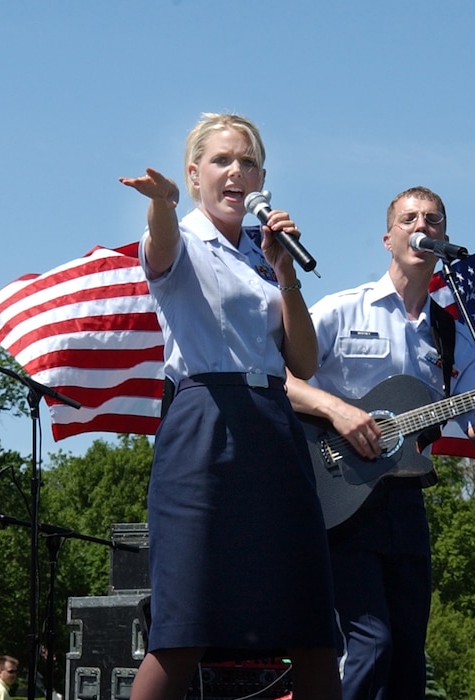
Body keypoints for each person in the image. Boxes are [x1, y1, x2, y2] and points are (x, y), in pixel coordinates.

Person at [285, 185, 475, 699]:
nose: (422, 226)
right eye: (410, 217)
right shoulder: (342, 310)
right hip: (339, 495)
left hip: (406, 501)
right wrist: (340, 412)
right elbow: (281, 378)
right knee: (370, 643)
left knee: (409, 656)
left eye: (433, 219)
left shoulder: (451, 333)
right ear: (387, 237)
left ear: (445, 238)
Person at [120, 112, 340, 700]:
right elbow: (160, 242)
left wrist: (284, 270)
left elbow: (305, 362)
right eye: (222, 160)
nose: (236, 171)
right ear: (194, 175)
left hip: (275, 429)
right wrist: (162, 203)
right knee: (184, 629)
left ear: (263, 176)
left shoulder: (263, 251)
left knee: (314, 630)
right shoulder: (182, 238)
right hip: (205, 426)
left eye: (248, 162)